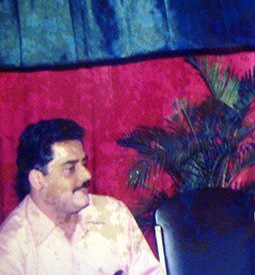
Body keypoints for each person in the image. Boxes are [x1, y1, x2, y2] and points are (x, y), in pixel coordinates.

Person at [0, 118, 163, 275]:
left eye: (83, 164)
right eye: (70, 169)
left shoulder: (113, 214)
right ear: (38, 180)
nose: (86, 175)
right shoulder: (11, 248)